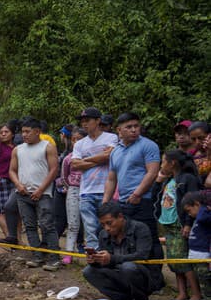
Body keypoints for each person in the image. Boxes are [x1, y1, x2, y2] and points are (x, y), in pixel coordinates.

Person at [83, 202, 161, 300]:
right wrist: (95, 260)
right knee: (88, 271)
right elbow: (107, 262)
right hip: (119, 274)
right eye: (103, 225)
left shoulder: (140, 228)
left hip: (144, 277)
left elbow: (142, 255)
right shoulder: (103, 234)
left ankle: (141, 299)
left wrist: (112, 259)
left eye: (109, 223)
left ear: (120, 217)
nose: (107, 228)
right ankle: (120, 297)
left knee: (128, 267)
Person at [9, 119, 61, 271]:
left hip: (43, 193)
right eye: (22, 131)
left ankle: (53, 258)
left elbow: (53, 169)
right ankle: (37, 256)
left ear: (37, 131)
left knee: (47, 225)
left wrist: (41, 189)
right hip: (23, 193)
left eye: (27, 131)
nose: (24, 135)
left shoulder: (48, 147)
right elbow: (12, 170)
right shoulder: (18, 149)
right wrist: (18, 185)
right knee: (30, 226)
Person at [153, 150, 202, 300]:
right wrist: (158, 181)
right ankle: (182, 293)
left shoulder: (187, 179)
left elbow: (193, 202)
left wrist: (188, 223)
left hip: (180, 226)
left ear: (172, 162)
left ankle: (196, 294)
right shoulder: (170, 180)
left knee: (183, 260)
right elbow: (157, 196)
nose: (162, 165)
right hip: (169, 226)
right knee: (174, 260)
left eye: (163, 162)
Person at [104, 112, 161, 241]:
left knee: (148, 237)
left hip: (144, 200)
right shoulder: (115, 151)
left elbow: (152, 172)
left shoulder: (148, 145)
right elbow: (111, 179)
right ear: (119, 130)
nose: (134, 130)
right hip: (124, 202)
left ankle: (155, 262)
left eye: (136, 126)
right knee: (129, 239)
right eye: (128, 127)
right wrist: (105, 202)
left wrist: (137, 194)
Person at [71, 107, 118, 250]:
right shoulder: (80, 143)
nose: (84, 124)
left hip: (106, 189)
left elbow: (108, 156)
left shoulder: (111, 138)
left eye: (88, 121)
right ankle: (94, 259)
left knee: (109, 226)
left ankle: (109, 256)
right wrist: (99, 159)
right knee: (90, 229)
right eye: (82, 122)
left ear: (98, 121)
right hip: (86, 190)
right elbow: (75, 164)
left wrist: (85, 160)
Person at [60, 127, 87, 264]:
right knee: (73, 223)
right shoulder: (68, 159)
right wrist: (70, 187)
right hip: (73, 190)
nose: (76, 142)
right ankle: (69, 252)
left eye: (80, 140)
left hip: (89, 191)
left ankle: (92, 253)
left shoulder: (91, 157)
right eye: (74, 139)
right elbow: (64, 176)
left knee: (90, 224)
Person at [182, 191, 211, 300]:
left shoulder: (204, 215)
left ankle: (208, 299)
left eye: (189, 211)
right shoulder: (199, 215)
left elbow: (202, 216)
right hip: (196, 253)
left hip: (203, 254)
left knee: (204, 278)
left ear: (197, 204)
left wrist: (204, 208)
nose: (190, 215)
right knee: (200, 276)